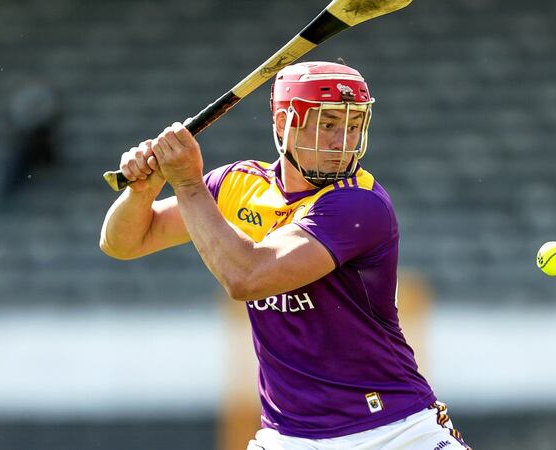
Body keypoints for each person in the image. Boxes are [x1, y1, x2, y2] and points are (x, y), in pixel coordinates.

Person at [100, 61, 471, 450]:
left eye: (353, 125)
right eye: (328, 124)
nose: (342, 141)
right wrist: (144, 189)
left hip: (394, 431)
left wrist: (188, 182)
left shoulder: (358, 204)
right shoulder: (238, 185)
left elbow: (247, 277)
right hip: (289, 437)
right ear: (283, 123)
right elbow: (124, 243)